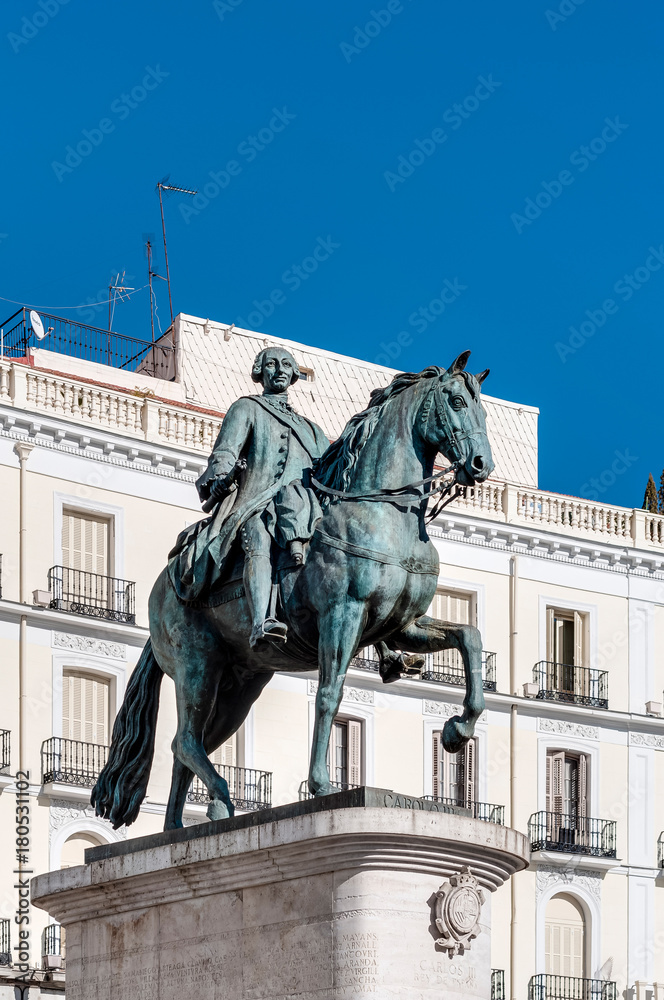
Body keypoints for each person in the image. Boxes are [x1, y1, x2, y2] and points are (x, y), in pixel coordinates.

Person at [180, 346, 329, 648]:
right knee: (259, 536)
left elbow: (330, 470)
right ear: (260, 371)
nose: (280, 369)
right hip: (259, 501)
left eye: (287, 364)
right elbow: (224, 453)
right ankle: (262, 621)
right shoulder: (247, 408)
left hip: (307, 508)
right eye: (272, 363)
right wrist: (222, 477)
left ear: (295, 374)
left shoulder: (312, 430)